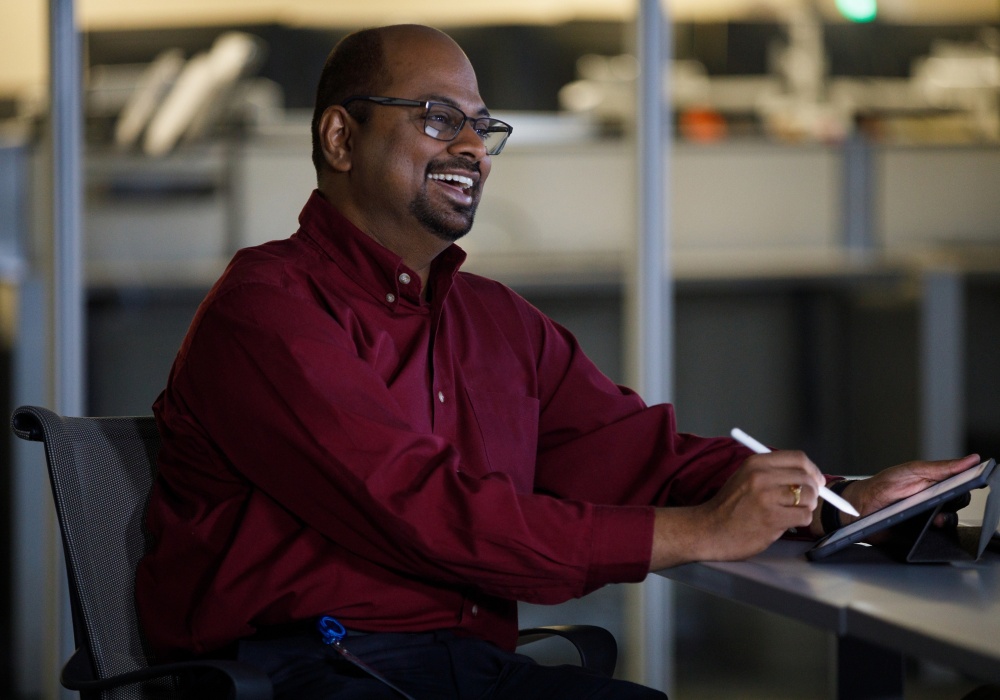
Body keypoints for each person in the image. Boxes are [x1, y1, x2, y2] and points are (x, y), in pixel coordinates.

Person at [135, 23, 980, 700]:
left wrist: (836, 499)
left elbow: (644, 458)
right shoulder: (268, 308)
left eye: (483, 126)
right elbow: (423, 510)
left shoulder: (495, 323)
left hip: (456, 669)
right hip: (304, 672)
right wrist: (692, 534)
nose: (472, 145)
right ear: (340, 136)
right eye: (437, 118)